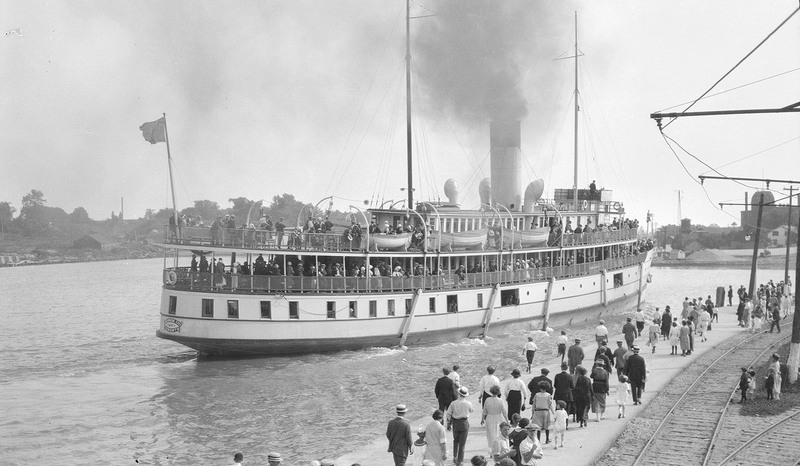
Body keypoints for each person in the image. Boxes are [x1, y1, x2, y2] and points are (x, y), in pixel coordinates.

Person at [447, 386, 473, 466]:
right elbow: (471, 410)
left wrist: (448, 423)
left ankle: (455, 457)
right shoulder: (468, 403)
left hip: (455, 422)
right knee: (462, 443)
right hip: (464, 422)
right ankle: (460, 460)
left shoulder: (453, 403)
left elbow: (448, 413)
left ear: (459, 394)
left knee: (456, 441)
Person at [482, 385, 507, 450]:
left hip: (490, 417)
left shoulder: (487, 400)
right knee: (498, 434)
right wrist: (507, 420)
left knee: (490, 435)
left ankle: (491, 448)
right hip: (499, 417)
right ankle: (499, 448)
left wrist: (482, 418)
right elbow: (504, 411)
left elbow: (484, 410)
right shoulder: (500, 400)